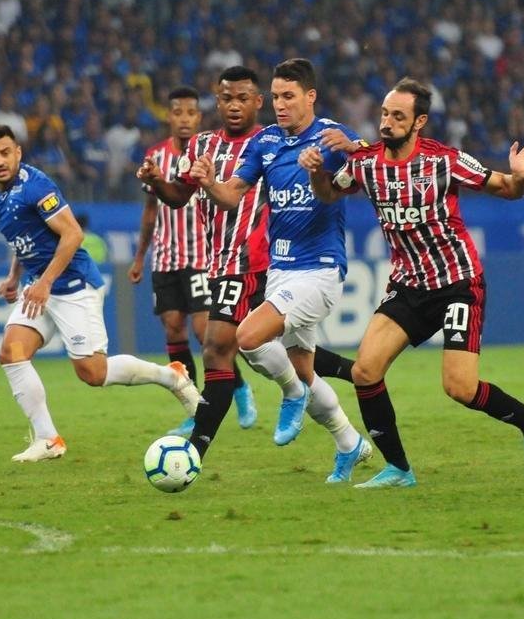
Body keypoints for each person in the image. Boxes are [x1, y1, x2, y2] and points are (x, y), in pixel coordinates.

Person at [301, 77, 524, 488]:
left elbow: (508, 189)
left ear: (419, 122)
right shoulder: (365, 163)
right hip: (408, 286)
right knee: (366, 371)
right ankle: (399, 469)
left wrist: (521, 175)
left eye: (398, 116)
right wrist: (316, 174)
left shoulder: (445, 160)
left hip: (458, 282)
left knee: (459, 387)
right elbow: (331, 193)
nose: (387, 123)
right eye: (384, 114)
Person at [138, 65, 356, 462]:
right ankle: (349, 437)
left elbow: (355, 178)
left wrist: (355, 150)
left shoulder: (295, 137)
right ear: (216, 102)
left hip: (254, 261)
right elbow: (194, 195)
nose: (235, 106)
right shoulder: (216, 145)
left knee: (222, 345)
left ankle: (196, 450)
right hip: (247, 265)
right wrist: (165, 182)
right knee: (294, 361)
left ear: (257, 103)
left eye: (245, 98)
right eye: (226, 98)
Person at [189, 58, 370, 483]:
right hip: (282, 271)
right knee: (305, 367)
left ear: (310, 96)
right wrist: (210, 182)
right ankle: (349, 442)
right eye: (275, 97)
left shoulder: (332, 138)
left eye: (288, 96)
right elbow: (233, 196)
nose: (280, 104)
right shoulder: (267, 141)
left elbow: (340, 191)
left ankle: (291, 395)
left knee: (247, 337)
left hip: (320, 269)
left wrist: (326, 167)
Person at [0, 124, 201, 463]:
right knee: (12, 352)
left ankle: (171, 376)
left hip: (73, 285)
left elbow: (72, 235)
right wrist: (14, 276)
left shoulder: (36, 186)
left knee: (93, 374)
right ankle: (48, 438)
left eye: (6, 152)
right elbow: (21, 240)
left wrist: (46, 282)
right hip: (40, 285)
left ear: (18, 153)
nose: (0, 160)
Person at [129, 86, 218, 431]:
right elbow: (150, 211)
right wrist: (139, 257)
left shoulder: (209, 154)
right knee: (174, 329)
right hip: (165, 257)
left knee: (204, 331)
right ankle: (194, 406)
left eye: (190, 113)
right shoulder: (155, 157)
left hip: (200, 254)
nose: (184, 119)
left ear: (199, 117)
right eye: (177, 112)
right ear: (169, 116)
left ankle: (234, 388)